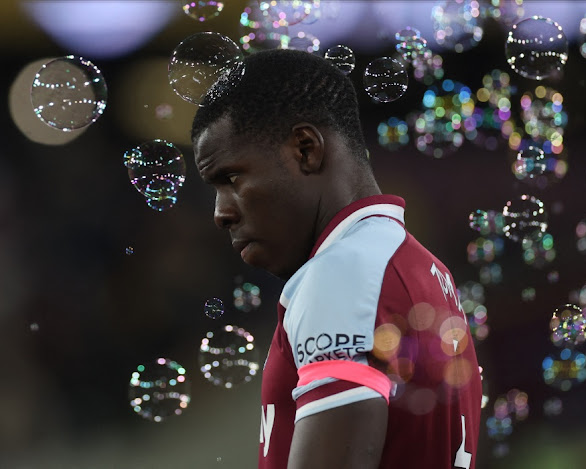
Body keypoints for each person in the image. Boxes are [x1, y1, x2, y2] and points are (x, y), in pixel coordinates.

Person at [191, 49, 481, 469]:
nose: (221, 213)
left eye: (231, 179)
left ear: (306, 149)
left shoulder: (345, 273)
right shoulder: (418, 266)